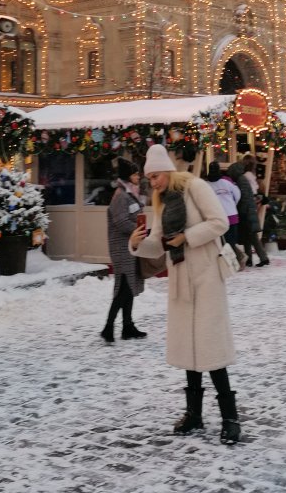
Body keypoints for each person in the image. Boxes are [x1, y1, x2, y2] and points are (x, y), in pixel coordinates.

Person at [129, 144, 241, 444]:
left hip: (206, 276)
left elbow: (218, 222)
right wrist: (136, 243)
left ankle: (231, 418)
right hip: (180, 277)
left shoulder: (195, 186)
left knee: (210, 345)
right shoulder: (162, 201)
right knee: (189, 348)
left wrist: (187, 237)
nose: (153, 183)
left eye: (156, 176)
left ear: (167, 170)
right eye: (149, 178)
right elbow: (158, 243)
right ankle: (194, 414)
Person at [100, 158, 147, 343]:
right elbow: (120, 222)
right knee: (124, 290)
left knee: (128, 288)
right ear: (128, 176)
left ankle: (128, 326)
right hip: (121, 248)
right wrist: (139, 229)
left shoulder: (130, 193)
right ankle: (108, 327)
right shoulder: (121, 195)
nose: (138, 176)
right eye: (135, 173)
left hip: (130, 246)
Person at [227, 161, 269, 267]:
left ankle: (263, 258)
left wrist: (241, 211)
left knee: (252, 236)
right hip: (248, 211)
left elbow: (243, 198)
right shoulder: (242, 180)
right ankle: (249, 259)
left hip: (246, 212)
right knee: (247, 236)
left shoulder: (241, 180)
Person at [205, 162, 242, 257]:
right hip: (231, 215)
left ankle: (228, 262)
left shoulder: (207, 185)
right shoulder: (227, 182)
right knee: (231, 242)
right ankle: (234, 261)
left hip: (217, 217)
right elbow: (237, 194)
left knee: (221, 243)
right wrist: (232, 205)